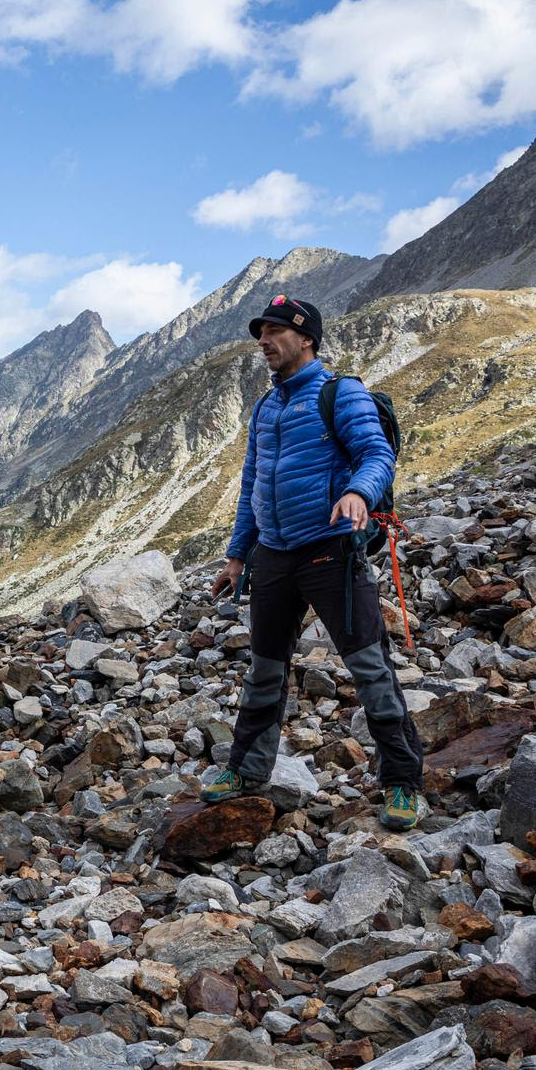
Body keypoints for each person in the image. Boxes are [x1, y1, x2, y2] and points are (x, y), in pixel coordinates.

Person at [208, 295, 429, 831]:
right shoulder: (267, 406)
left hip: (331, 549)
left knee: (369, 667)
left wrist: (358, 493)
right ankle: (247, 769)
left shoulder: (340, 393)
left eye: (275, 331)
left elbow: (378, 454)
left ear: (305, 337)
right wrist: (238, 555)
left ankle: (402, 783)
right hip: (274, 557)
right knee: (264, 668)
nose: (263, 341)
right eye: (261, 332)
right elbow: (252, 487)